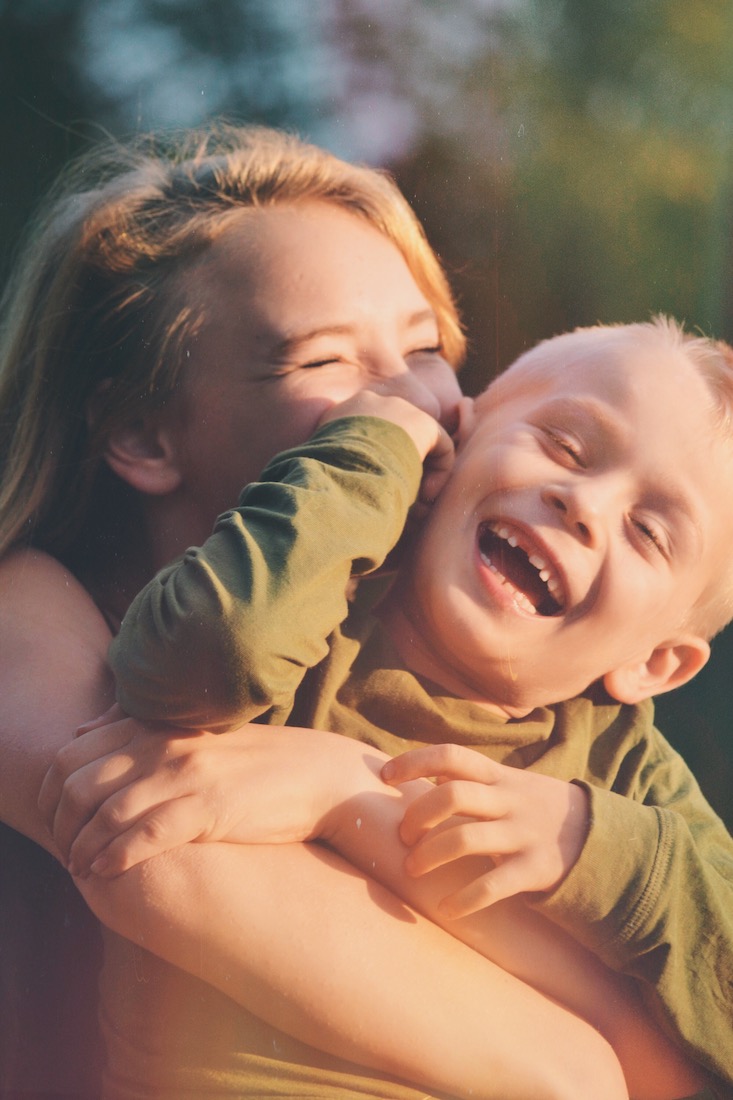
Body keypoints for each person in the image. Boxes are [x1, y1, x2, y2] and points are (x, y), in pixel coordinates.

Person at [0, 122, 632, 1100]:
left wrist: (341, 778)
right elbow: (154, 846)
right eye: (326, 363)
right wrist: (586, 1056)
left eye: (425, 346)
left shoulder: (418, 652)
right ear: (140, 432)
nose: (414, 401)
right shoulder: (24, 600)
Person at [53, 318, 733, 1098]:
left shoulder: (620, 774)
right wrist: (376, 450)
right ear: (457, 440)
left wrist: (598, 849)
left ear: (654, 663)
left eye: (648, 531)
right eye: (565, 446)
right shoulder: (309, 615)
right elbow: (196, 663)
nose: (581, 503)